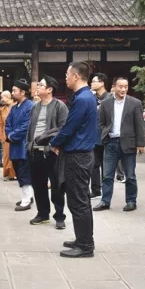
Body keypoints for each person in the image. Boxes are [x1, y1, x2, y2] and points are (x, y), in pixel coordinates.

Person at [50, 62, 97, 258]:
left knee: (78, 201)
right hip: (81, 154)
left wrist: (54, 143)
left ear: (76, 76)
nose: (66, 78)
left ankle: (85, 245)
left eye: (67, 74)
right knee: (80, 200)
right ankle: (83, 239)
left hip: (78, 156)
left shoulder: (82, 99)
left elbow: (69, 127)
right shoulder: (86, 97)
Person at [93, 77, 145, 212]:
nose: (123, 89)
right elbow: (101, 122)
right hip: (111, 142)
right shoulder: (106, 103)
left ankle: (131, 201)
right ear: (114, 87)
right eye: (120, 86)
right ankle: (105, 201)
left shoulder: (135, 103)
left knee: (130, 175)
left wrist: (140, 144)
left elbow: (139, 124)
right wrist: (105, 133)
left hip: (128, 143)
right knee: (107, 175)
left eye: (125, 87)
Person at [27, 75, 68, 229]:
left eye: (41, 85)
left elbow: (64, 129)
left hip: (51, 152)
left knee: (56, 186)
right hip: (35, 151)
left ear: (49, 89)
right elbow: (30, 129)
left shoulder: (59, 106)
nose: (37, 87)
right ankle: (43, 214)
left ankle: (59, 216)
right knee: (38, 185)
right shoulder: (35, 107)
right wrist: (28, 145)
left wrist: (56, 146)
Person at [6, 79, 35, 211]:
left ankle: (26, 200)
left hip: (24, 144)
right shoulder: (14, 107)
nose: (12, 93)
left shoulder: (30, 106)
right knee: (18, 170)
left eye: (14, 90)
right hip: (15, 144)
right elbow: (8, 123)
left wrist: (12, 135)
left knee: (24, 172)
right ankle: (28, 196)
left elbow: (26, 126)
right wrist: (9, 134)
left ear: (23, 92)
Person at [90, 73, 109, 198]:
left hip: (107, 136)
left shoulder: (110, 98)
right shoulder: (91, 98)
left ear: (102, 83)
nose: (91, 84)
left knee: (106, 166)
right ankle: (95, 190)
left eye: (94, 81)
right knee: (94, 165)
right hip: (93, 136)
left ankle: (106, 191)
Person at [0, 90, 16, 180]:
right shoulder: (2, 109)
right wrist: (1, 135)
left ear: (7, 97)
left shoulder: (15, 106)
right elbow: (1, 124)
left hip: (15, 134)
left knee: (15, 154)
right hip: (5, 135)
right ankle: (8, 173)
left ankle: (15, 173)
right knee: (6, 155)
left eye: (2, 97)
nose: (1, 99)